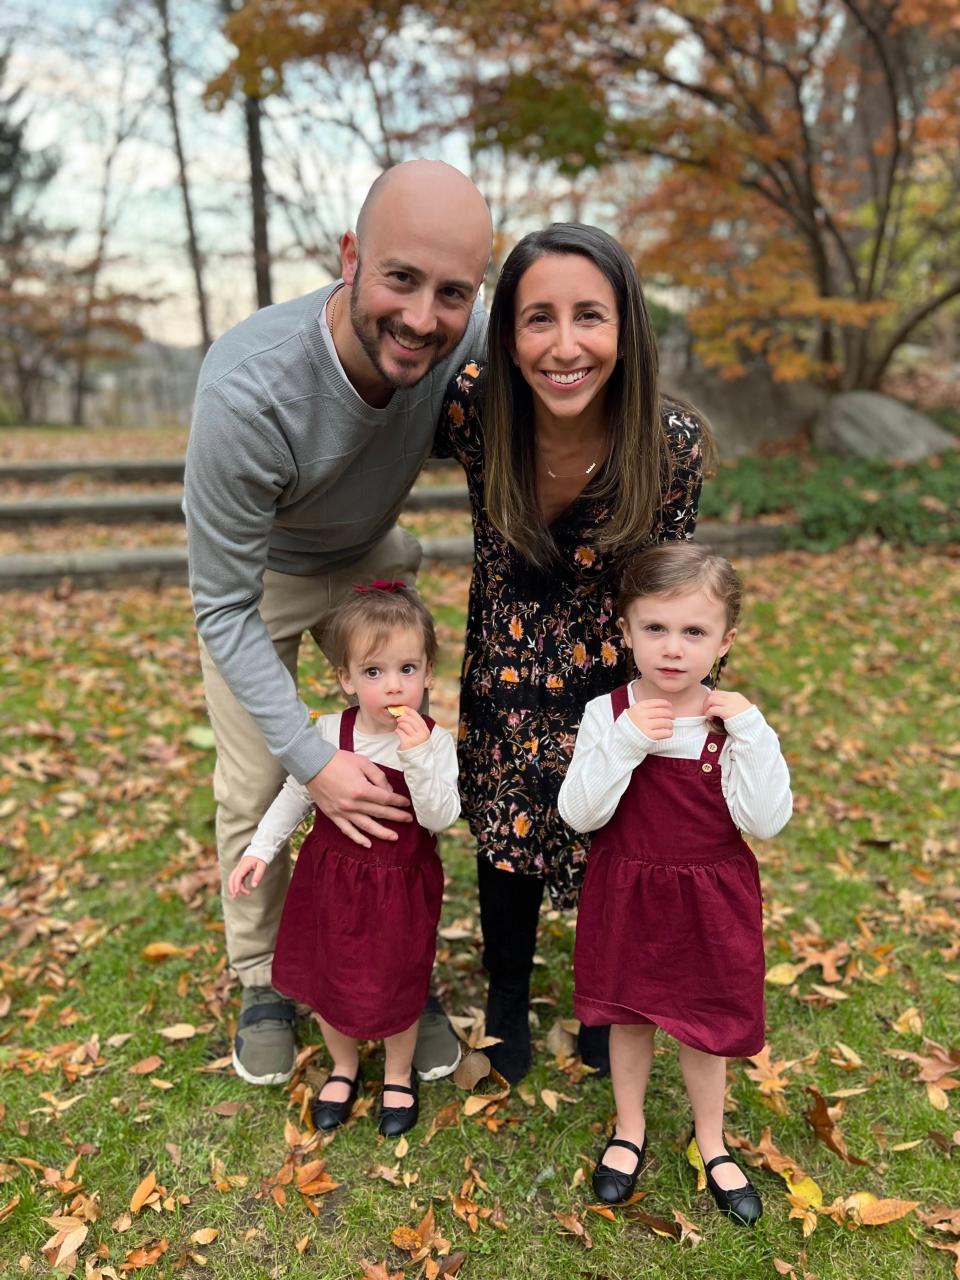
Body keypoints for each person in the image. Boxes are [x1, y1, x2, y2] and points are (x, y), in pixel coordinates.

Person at [185, 160, 491, 1087]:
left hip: (369, 558)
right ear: (351, 258)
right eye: (400, 279)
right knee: (259, 779)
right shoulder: (250, 388)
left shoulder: (464, 340)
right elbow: (223, 604)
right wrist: (313, 761)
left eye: (451, 292)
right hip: (263, 580)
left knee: (402, 756)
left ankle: (392, 976)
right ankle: (263, 980)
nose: (423, 317)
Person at [435, 223, 711, 1083]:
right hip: (506, 670)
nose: (563, 345)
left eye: (589, 316)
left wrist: (685, 708)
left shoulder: (669, 443)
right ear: (507, 335)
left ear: (625, 326)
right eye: (537, 319)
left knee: (610, 842)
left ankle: (605, 992)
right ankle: (509, 996)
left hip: (611, 676)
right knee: (508, 837)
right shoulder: (475, 409)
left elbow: (669, 586)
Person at [558, 543, 792, 1225]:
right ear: (624, 630)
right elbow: (580, 812)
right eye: (655, 628)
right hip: (627, 891)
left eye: (694, 632)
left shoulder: (730, 723)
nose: (673, 649)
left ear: (725, 640)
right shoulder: (609, 714)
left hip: (709, 899)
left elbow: (766, 820)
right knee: (629, 1015)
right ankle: (629, 1127)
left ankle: (712, 1138)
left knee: (704, 1023)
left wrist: (753, 733)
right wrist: (626, 742)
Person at [227, 582, 458, 1137]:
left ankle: (399, 1074)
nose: (393, 685)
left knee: (400, 981)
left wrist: (419, 755)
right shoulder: (330, 733)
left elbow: (439, 817)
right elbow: (294, 794)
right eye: (374, 672)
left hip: (400, 886)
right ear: (346, 679)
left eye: (407, 668)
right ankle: (345, 1065)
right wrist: (260, 848)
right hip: (332, 882)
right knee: (333, 974)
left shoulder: (435, 741)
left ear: (428, 673)